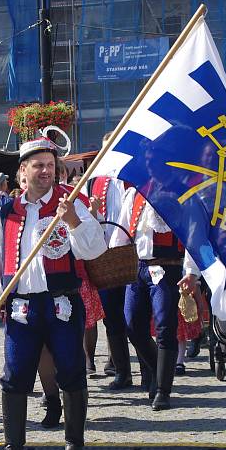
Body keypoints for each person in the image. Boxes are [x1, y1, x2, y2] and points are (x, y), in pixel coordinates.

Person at [0, 136, 106, 450]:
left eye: (50, 165)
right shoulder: (8, 210)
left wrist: (73, 220)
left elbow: (95, 250)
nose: (46, 171)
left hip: (63, 304)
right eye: (38, 165)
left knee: (71, 371)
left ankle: (74, 443)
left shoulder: (72, 201)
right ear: (23, 172)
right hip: (22, 307)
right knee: (14, 376)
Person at [110, 186, 200, 411]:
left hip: (167, 269)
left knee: (165, 328)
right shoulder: (133, 194)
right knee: (132, 326)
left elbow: (194, 234)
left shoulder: (183, 194)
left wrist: (191, 271)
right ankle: (155, 371)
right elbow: (121, 233)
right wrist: (111, 259)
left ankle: (162, 390)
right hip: (137, 268)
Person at [81, 161, 135, 389]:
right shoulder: (93, 182)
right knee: (112, 318)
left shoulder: (135, 180)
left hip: (134, 255)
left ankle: (151, 369)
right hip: (104, 259)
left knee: (135, 319)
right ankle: (122, 371)